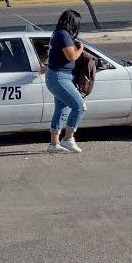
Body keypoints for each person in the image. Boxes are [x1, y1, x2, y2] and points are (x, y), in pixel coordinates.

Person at [45, 9, 85, 154]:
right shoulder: (63, 34)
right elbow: (72, 56)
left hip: (58, 76)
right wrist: (81, 48)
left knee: (62, 109)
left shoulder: (58, 34)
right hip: (59, 77)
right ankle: (68, 139)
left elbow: (53, 55)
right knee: (79, 106)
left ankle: (54, 143)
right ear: (72, 23)